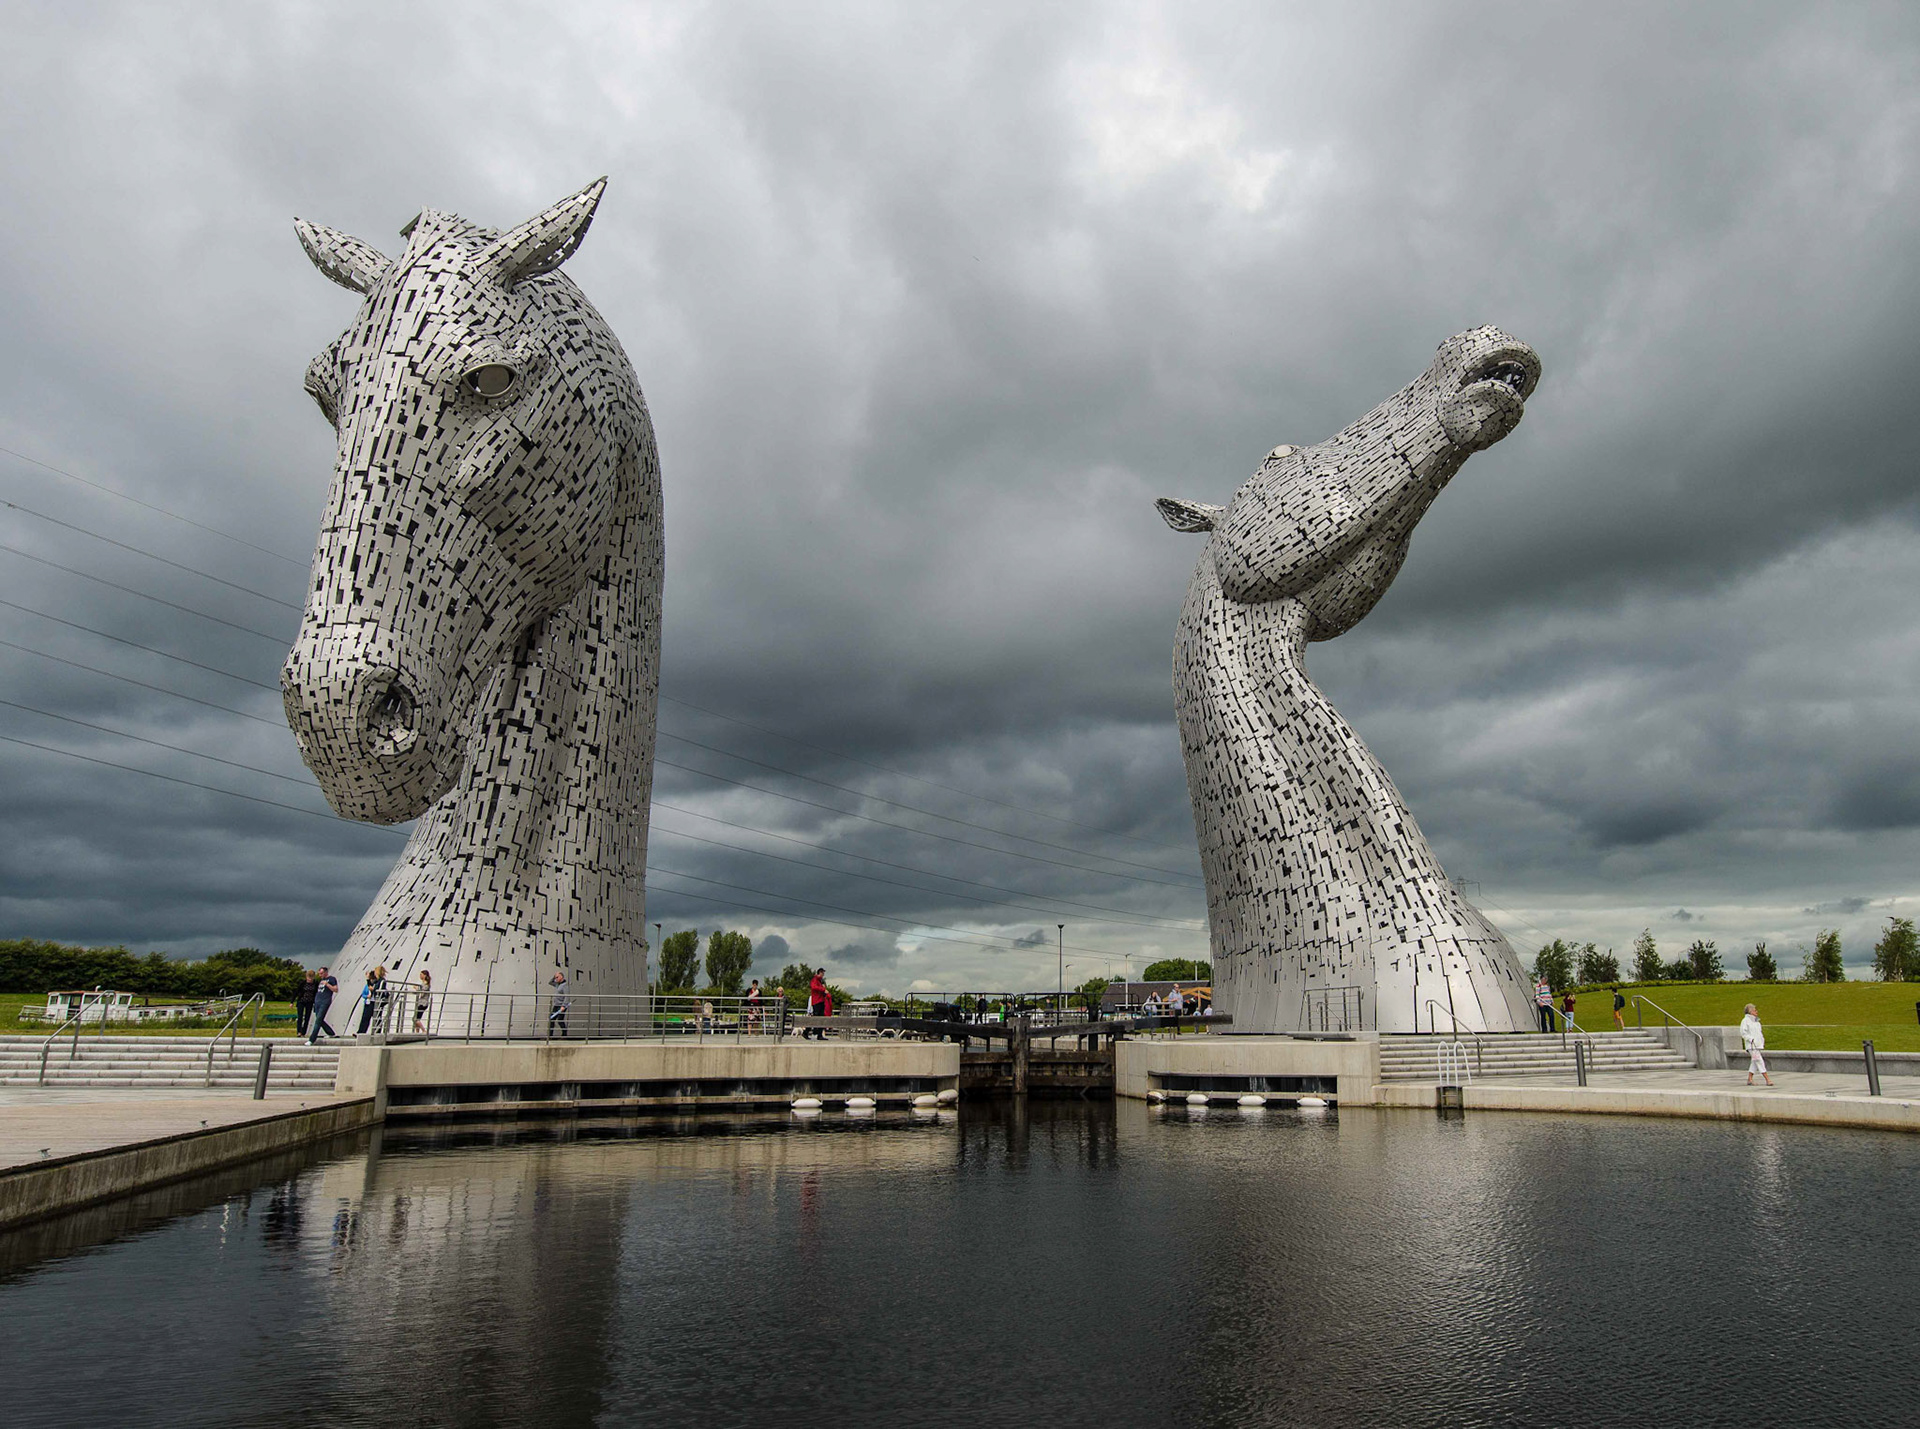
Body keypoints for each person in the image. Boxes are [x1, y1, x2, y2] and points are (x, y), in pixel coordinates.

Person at [1740, 1003, 1773, 1086]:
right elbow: (1743, 1033)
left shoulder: (1756, 1022)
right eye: (1754, 1010)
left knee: (1754, 1062)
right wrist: (1751, 1039)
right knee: (1759, 1061)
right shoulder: (1745, 1021)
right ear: (1750, 1012)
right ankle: (1767, 1079)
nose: (1756, 1012)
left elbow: (1759, 1033)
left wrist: (1761, 1041)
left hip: (1757, 1045)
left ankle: (1750, 1079)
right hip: (1752, 1046)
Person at [307, 967, 338, 1043]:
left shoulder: (331, 979)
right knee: (319, 1019)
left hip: (325, 1002)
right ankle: (331, 1033)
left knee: (318, 1020)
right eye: (319, 973)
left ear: (325, 972)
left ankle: (312, 1039)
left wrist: (327, 984)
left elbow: (336, 989)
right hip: (318, 1002)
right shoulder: (320, 980)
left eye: (321, 973)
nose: (320, 975)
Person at [295, 970, 317, 1037]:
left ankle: (303, 1032)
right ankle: (299, 1031)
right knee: (300, 1016)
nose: (309, 980)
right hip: (302, 1001)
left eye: (311, 978)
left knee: (307, 1017)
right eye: (308, 978)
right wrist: (292, 1002)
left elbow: (316, 993)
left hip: (309, 1002)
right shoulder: (303, 983)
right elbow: (297, 991)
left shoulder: (315, 984)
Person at [549, 968, 570, 1038]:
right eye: (555, 977)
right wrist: (554, 976)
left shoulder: (565, 985)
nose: (556, 979)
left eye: (557, 977)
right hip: (556, 1005)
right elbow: (550, 982)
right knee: (552, 1019)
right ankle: (550, 1035)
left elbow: (567, 996)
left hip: (561, 1005)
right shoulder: (557, 984)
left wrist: (564, 1006)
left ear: (561, 977)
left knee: (560, 1020)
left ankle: (564, 1034)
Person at [807, 967, 826, 1040]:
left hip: (820, 1001)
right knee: (815, 1017)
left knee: (821, 1018)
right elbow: (814, 987)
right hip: (817, 1001)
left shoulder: (820, 981)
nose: (823, 975)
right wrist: (823, 989)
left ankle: (819, 1034)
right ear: (820, 973)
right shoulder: (815, 980)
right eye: (822, 973)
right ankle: (806, 1031)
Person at [413, 968, 431, 1035]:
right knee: (416, 1018)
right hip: (421, 1003)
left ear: (425, 975)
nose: (420, 976)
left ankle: (424, 1030)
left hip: (423, 1003)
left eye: (421, 974)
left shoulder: (426, 984)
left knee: (416, 1019)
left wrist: (417, 989)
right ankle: (417, 1032)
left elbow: (422, 993)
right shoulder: (423, 983)